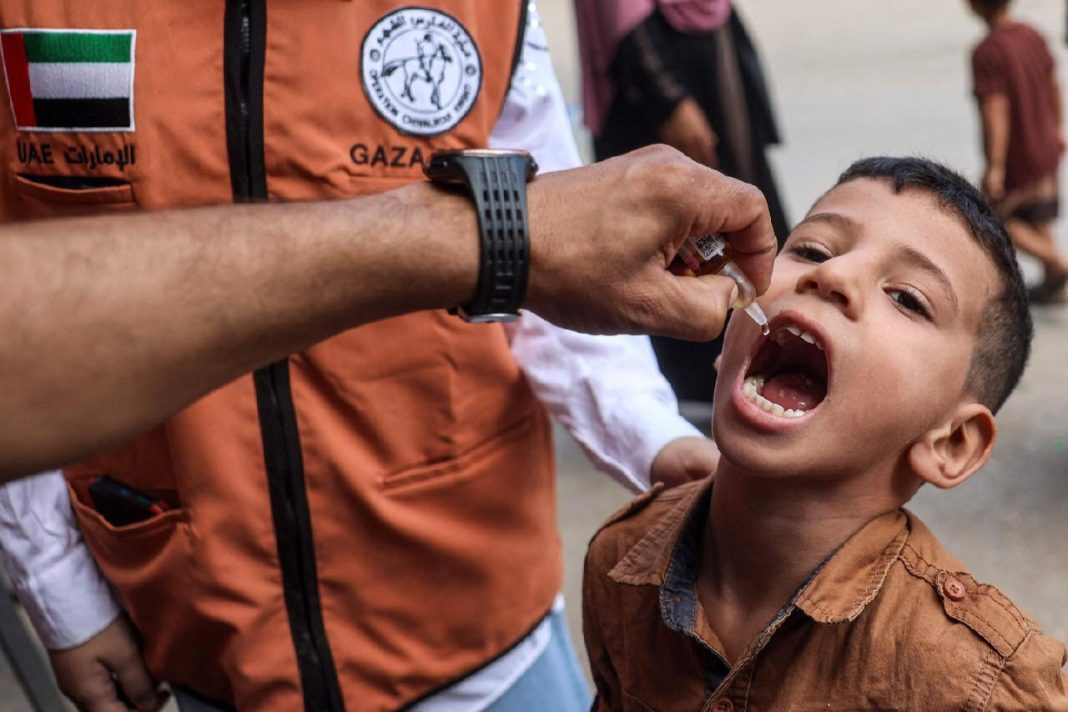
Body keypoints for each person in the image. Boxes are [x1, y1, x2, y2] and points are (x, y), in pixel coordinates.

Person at [0, 2, 775, 711]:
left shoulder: (489, 10)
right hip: (196, 632)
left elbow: (566, 258)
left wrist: (652, 436)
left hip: (483, 632)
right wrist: (56, 586)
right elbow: (25, 306)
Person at [583, 157, 1068, 710]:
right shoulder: (620, 558)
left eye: (906, 297)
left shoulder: (971, 684)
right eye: (813, 250)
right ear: (726, 349)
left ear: (951, 444)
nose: (831, 276)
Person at [573, 0, 789, 406]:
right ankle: (698, 396)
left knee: (741, 222)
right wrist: (669, 97)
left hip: (711, 58)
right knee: (677, 240)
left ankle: (756, 369)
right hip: (655, 77)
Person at [968, 0, 1068, 303]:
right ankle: (1055, 282)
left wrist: (995, 166)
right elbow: (1053, 85)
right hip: (1046, 143)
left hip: (1019, 154)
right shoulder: (1032, 35)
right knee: (1036, 216)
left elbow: (995, 109)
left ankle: (1059, 264)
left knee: (993, 220)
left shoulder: (987, 51)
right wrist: (1058, 129)